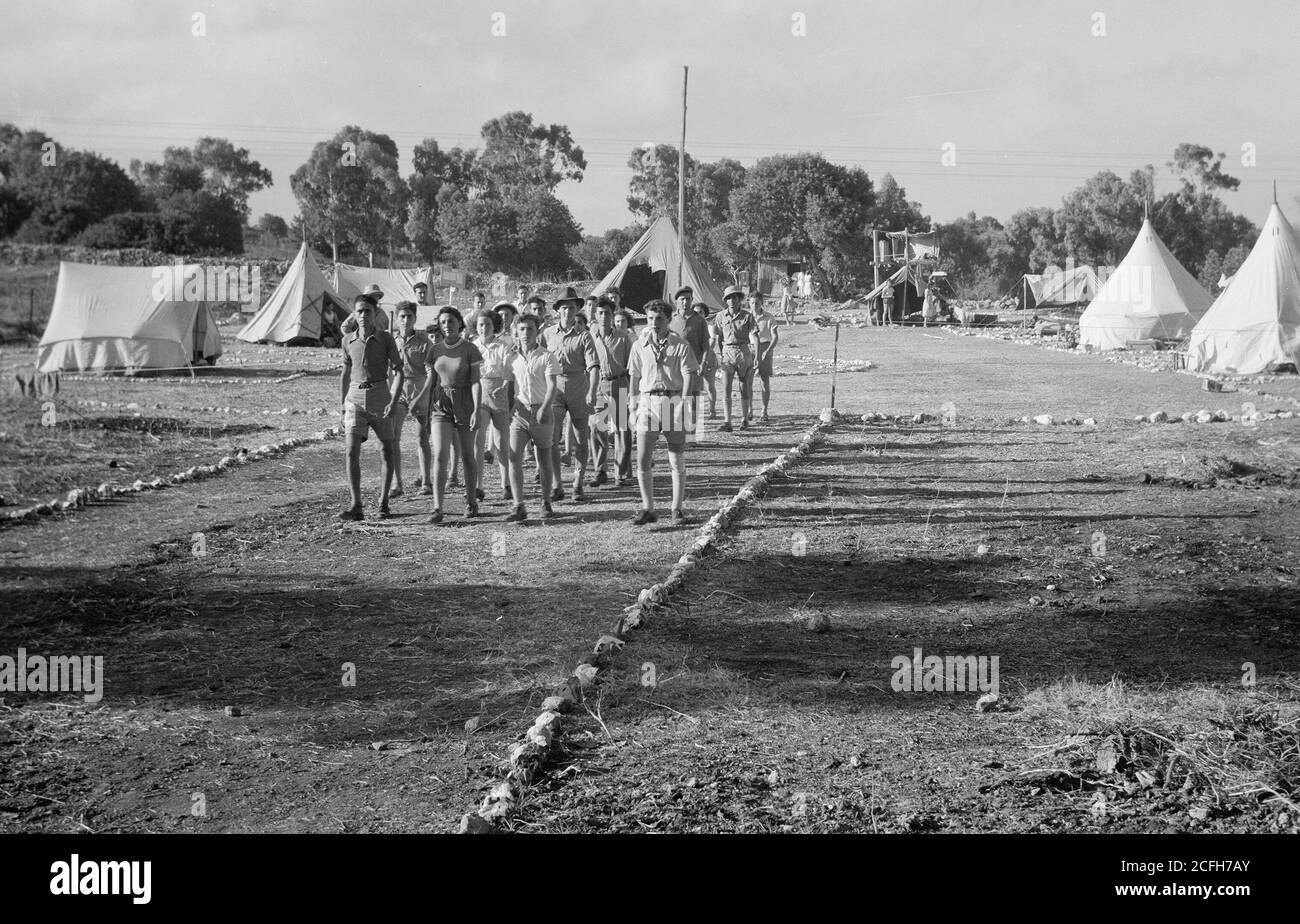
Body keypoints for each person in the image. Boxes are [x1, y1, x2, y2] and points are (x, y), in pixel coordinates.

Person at [628, 299, 699, 525]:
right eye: (650, 318)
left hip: (673, 400)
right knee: (642, 458)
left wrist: (683, 404)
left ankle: (676, 508)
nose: (654, 323)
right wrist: (632, 405)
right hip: (648, 402)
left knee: (675, 458)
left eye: (659, 318)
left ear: (669, 320)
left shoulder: (680, 345)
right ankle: (648, 507)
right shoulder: (639, 345)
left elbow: (689, 375)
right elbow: (635, 376)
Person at [338, 295, 403, 521]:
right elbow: (345, 373)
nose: (364, 315)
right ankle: (356, 504)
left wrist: (393, 402)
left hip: (380, 396)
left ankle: (384, 501)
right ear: (354, 315)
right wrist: (342, 404)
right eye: (359, 311)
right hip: (355, 397)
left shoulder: (386, 339)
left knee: (386, 449)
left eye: (368, 311)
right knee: (350, 450)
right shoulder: (348, 340)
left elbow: (399, 371)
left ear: (376, 314)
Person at [540, 286, 600, 501]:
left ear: (577, 310)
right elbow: (537, 360)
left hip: (578, 387)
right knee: (552, 438)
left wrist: (592, 392)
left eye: (572, 308)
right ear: (558, 310)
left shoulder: (585, 337)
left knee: (580, 438)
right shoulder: (547, 334)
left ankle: (578, 481)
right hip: (554, 388)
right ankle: (557, 484)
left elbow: (593, 367)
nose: (568, 312)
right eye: (564, 308)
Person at [427, 307, 482, 522]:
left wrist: (477, 409)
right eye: (443, 322)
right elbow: (431, 382)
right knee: (440, 454)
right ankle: (437, 507)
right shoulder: (435, 351)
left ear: (459, 323)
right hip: (441, 405)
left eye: (451, 321)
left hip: (466, 404)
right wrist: (423, 407)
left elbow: (476, 382)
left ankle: (471, 501)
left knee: (468, 455)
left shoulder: (470, 349)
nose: (447, 326)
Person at [505, 314, 558, 523]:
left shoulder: (546, 356)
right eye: (522, 329)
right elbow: (510, 384)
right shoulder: (512, 358)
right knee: (513, 457)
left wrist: (545, 407)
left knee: (543, 458)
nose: (526, 333)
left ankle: (546, 501)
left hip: (541, 411)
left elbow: (552, 385)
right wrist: (510, 407)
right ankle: (518, 504)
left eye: (530, 329)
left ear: (537, 331)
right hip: (520, 413)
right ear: (516, 332)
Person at [390, 301, 436, 498]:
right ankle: (396, 482)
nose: (406, 320)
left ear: (415, 318)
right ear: (397, 318)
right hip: (397, 390)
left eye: (409, 316)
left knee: (421, 436)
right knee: (393, 437)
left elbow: (431, 372)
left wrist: (423, 395)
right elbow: (387, 370)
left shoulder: (425, 342)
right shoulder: (391, 341)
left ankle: (426, 481)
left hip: (419, 388)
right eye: (402, 316)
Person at [591, 297, 633, 487]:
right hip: (599, 385)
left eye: (607, 312)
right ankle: (600, 470)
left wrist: (633, 391)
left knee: (622, 430)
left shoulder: (623, 337)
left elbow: (632, 366)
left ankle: (621, 474)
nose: (604, 316)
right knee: (597, 428)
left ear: (612, 313)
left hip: (620, 383)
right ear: (595, 314)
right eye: (600, 312)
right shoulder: (590, 337)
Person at [474, 309, 514, 502]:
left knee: (501, 442)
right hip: (478, 393)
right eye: (481, 324)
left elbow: (508, 370)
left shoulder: (502, 346)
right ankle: (478, 485)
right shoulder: (472, 346)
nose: (483, 328)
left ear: (494, 326)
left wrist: (505, 386)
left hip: (499, 393)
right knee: (478, 441)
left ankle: (506, 483)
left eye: (487, 324)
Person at [715, 285, 760, 431]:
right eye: (728, 298)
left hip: (743, 351)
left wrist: (757, 356)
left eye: (734, 297)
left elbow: (755, 335)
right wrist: (722, 353)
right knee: (726, 387)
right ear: (725, 300)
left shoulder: (747, 316)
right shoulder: (720, 316)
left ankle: (745, 419)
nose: (731, 300)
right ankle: (727, 422)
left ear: (739, 299)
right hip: (727, 352)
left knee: (744, 386)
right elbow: (718, 336)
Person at [749, 290, 780, 422]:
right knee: (747, 381)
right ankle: (749, 410)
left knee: (764, 380)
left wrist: (768, 350)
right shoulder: (746, 317)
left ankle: (764, 411)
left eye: (756, 302)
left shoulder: (769, 318)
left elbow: (775, 336)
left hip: (764, 347)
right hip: (749, 349)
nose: (754, 305)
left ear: (761, 303)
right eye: (751, 303)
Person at [692, 301, 720, 419]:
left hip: (708, 359)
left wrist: (704, 354)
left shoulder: (710, 326)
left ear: (705, 313)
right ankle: (694, 413)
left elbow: (712, 342)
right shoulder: (691, 327)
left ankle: (712, 410)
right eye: (695, 312)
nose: (698, 314)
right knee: (695, 388)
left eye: (700, 312)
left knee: (710, 386)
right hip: (694, 360)